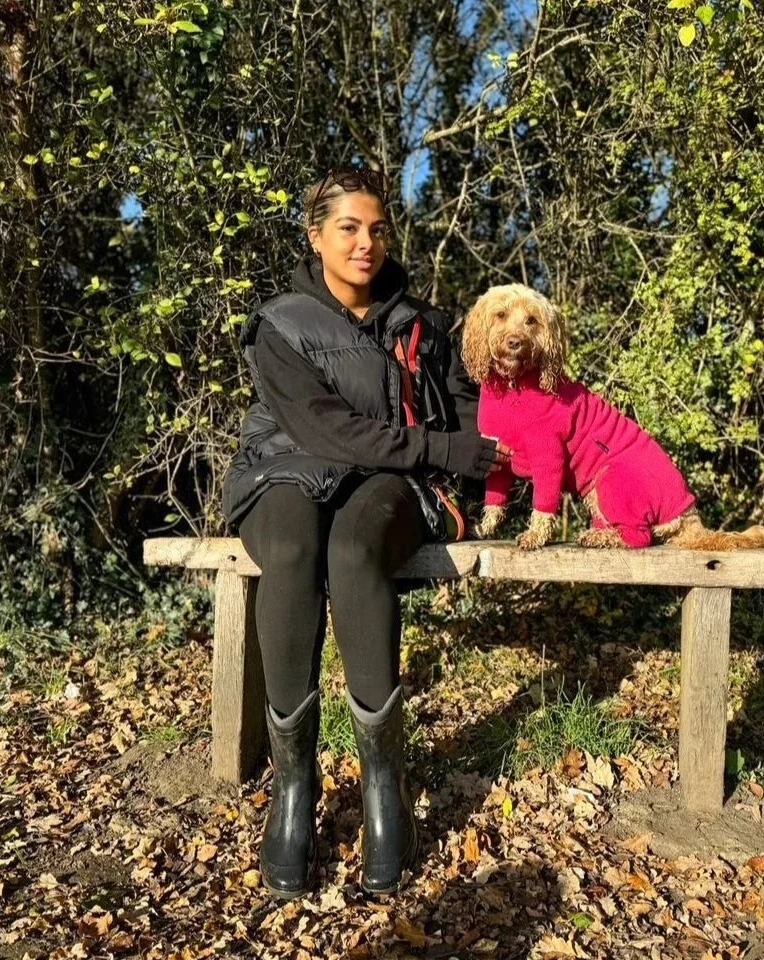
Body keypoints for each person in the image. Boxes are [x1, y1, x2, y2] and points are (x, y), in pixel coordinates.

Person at [221, 167, 510, 898]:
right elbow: (326, 430)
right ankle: (294, 787)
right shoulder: (280, 325)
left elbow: (473, 416)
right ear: (315, 235)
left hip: (391, 483)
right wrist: (441, 448)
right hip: (285, 469)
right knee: (293, 549)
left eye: (377, 229)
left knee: (353, 550)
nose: (365, 243)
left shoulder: (423, 324)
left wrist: (526, 458)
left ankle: (386, 786)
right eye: (348, 228)